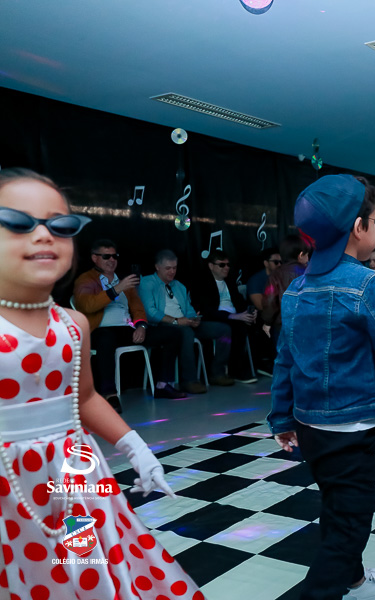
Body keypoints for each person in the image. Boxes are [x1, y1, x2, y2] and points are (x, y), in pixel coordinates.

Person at [0, 168, 203, 598]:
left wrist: (135, 447)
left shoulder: (72, 325)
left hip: (75, 477)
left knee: (87, 567)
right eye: (17, 222)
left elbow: (85, 396)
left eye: (61, 226)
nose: (44, 235)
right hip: (9, 484)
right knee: (24, 571)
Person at [268, 174, 375, 600]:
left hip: (310, 426)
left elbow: (284, 359)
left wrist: (281, 417)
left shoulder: (296, 289)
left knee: (337, 504)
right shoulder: (366, 283)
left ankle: (355, 582)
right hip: (352, 427)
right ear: (358, 227)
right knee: (351, 523)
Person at [73, 239, 185, 413]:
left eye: (114, 256)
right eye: (106, 256)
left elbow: (138, 308)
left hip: (127, 329)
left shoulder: (124, 281)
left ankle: (163, 385)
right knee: (105, 339)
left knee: (173, 333)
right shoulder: (86, 279)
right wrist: (116, 289)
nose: (112, 260)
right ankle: (110, 394)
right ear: (95, 258)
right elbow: (86, 305)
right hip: (100, 330)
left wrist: (141, 326)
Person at [138, 249, 234, 389]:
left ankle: (217, 373)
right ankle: (189, 380)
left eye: (174, 268)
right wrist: (177, 321)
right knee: (186, 332)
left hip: (184, 322)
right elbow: (150, 312)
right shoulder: (147, 283)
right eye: (168, 268)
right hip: (162, 325)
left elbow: (188, 308)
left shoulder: (179, 285)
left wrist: (193, 318)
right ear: (157, 267)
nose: (172, 271)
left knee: (223, 330)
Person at [191, 249, 258, 384]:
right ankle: (232, 370)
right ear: (211, 266)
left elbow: (239, 301)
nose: (226, 268)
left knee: (255, 323)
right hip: (215, 319)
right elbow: (206, 310)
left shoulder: (229, 281)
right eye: (222, 265)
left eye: (228, 265)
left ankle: (259, 364)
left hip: (234, 317)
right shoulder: (202, 283)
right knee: (234, 327)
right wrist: (232, 316)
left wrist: (250, 311)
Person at [262, 233, 313, 347]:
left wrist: (267, 322)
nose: (308, 258)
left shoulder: (276, 274)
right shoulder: (312, 273)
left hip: (283, 326)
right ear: (301, 255)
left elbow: (270, 301)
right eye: (307, 255)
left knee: (283, 356)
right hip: (309, 326)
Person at [247, 247, 282, 376]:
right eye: (276, 262)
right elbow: (260, 305)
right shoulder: (257, 280)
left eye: (281, 262)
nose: (280, 265)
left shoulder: (282, 277)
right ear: (266, 263)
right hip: (261, 317)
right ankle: (276, 363)